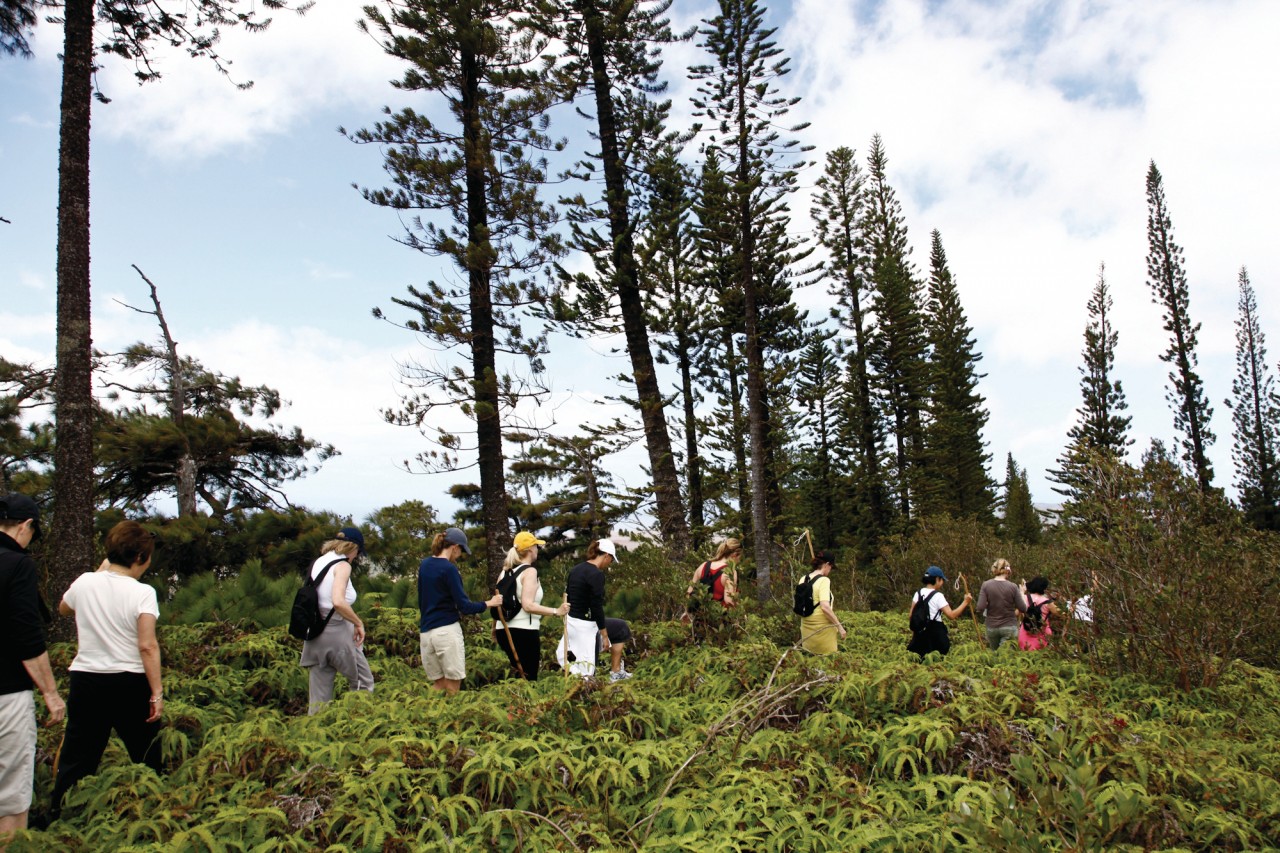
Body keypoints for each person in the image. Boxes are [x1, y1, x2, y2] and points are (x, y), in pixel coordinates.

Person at [51, 521, 163, 816]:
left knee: (77, 756)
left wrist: (99, 574)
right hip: (129, 680)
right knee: (147, 753)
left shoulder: (86, 582)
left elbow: (64, 608)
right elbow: (147, 645)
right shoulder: (143, 593)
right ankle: (158, 812)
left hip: (86, 679)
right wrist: (157, 692)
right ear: (140, 558)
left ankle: (61, 814)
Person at [0, 495, 65, 843]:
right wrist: (51, 694)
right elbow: (27, 637)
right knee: (10, 792)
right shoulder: (17, 564)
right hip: (6, 693)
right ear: (26, 526)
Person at [299, 527, 374, 714]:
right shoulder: (342, 565)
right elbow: (338, 601)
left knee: (319, 695)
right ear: (352, 547)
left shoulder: (319, 562)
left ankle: (316, 734)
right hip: (337, 632)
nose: (356, 556)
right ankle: (356, 725)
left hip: (315, 632)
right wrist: (358, 623)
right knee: (362, 682)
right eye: (357, 552)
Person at [419, 528, 502, 696]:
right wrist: (490, 603)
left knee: (438, 685)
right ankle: (451, 719)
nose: (460, 555)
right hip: (446, 631)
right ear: (454, 547)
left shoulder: (425, 565)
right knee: (452, 688)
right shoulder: (449, 569)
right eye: (461, 551)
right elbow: (464, 606)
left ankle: (429, 718)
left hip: (426, 632)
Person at [492, 531, 569, 681]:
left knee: (518, 676)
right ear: (529, 550)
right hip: (524, 631)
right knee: (529, 678)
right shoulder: (530, 571)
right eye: (536, 546)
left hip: (504, 631)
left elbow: (498, 601)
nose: (537, 550)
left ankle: (513, 703)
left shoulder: (504, 572)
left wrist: (494, 628)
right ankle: (524, 705)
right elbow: (528, 605)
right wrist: (556, 611)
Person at [558, 538, 632, 681]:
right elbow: (596, 606)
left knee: (620, 627)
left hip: (572, 621)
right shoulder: (597, 574)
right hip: (586, 625)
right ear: (606, 556)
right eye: (611, 560)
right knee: (588, 672)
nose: (609, 563)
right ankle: (614, 674)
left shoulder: (576, 569)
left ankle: (616, 671)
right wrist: (604, 635)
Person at [906, 565, 972, 658]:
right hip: (935, 634)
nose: (942, 582)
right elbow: (951, 615)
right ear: (937, 579)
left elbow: (911, 615)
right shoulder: (938, 596)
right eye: (942, 580)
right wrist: (966, 602)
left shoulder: (918, 593)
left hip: (919, 635)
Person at [799, 551, 847, 655]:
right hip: (823, 629)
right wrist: (840, 627)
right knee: (828, 661)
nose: (830, 570)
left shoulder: (803, 578)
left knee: (809, 661)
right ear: (827, 564)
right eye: (831, 567)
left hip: (806, 629)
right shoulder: (824, 580)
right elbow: (825, 607)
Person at [975, 558, 1027, 650]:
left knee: (995, 657)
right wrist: (1022, 593)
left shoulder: (986, 585)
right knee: (1006, 658)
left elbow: (980, 607)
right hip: (1009, 626)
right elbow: (1023, 608)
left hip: (991, 627)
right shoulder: (1013, 587)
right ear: (1008, 571)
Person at [683, 538, 742, 615]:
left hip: (699, 618)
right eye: (740, 557)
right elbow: (728, 601)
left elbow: (689, 592)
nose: (739, 560)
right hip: (720, 620)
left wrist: (687, 612)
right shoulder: (730, 572)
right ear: (735, 555)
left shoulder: (703, 565)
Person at [1017, 576, 1061, 651]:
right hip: (1043, 634)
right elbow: (1061, 614)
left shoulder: (1024, 598)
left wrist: (1022, 593)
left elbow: (1016, 613)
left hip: (1025, 632)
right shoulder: (1048, 602)